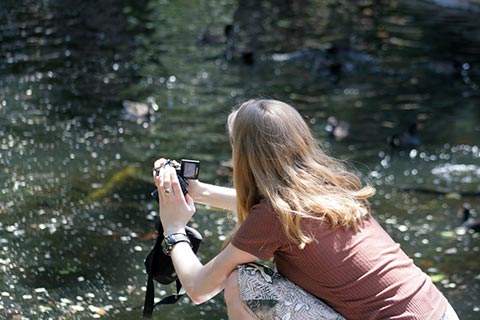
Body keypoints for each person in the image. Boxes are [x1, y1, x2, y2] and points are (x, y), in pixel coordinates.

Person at [152, 99, 458, 320]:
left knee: (242, 283)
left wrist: (174, 229)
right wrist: (198, 192)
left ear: (245, 157)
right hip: (441, 311)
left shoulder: (272, 216)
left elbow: (199, 287)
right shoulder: (328, 185)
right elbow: (279, 211)